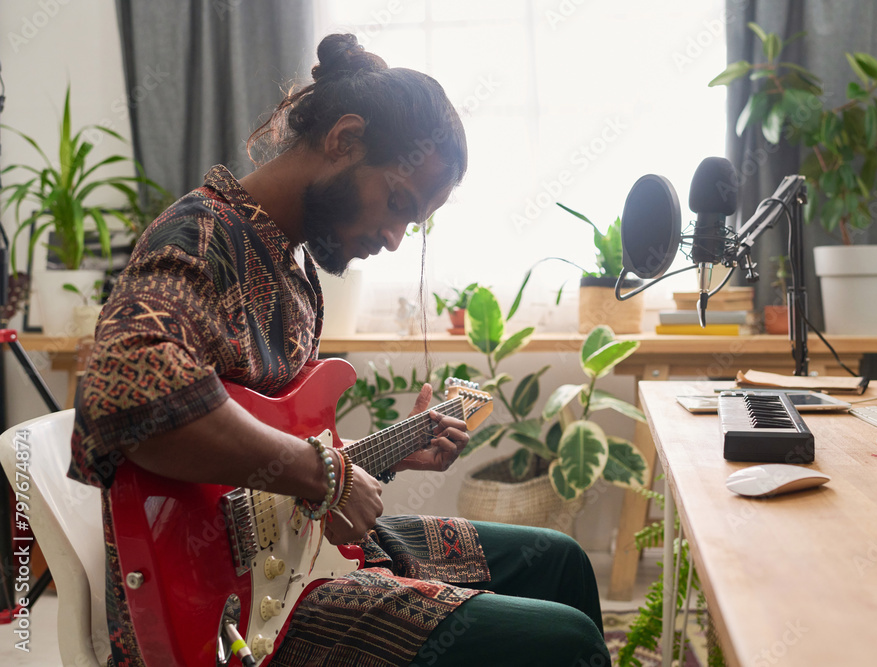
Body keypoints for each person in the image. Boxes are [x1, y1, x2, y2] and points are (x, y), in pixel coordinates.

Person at [69, 33, 611, 667]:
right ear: (344, 139)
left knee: (561, 562)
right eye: (398, 203)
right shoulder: (202, 237)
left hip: (292, 555)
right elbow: (128, 390)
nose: (394, 237)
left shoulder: (292, 269)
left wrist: (386, 453)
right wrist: (326, 474)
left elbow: (272, 455)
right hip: (225, 608)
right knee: (564, 643)